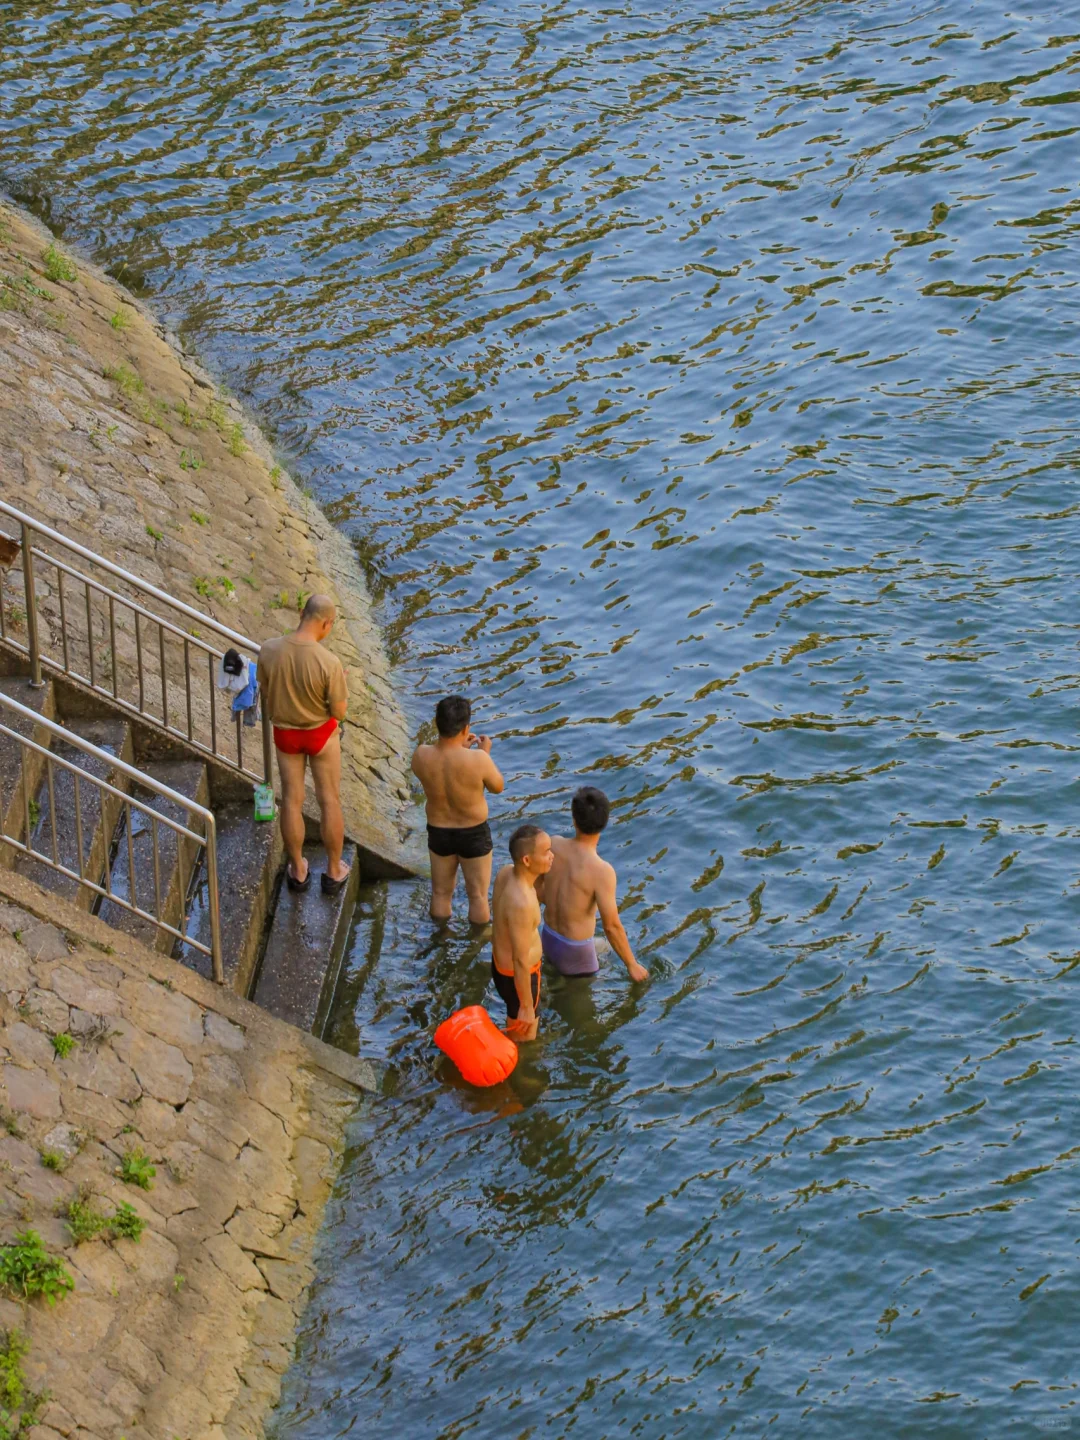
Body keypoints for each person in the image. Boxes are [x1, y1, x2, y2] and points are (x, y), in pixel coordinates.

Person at [257, 594, 350, 895]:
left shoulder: (269, 650)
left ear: (301, 613)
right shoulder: (329, 661)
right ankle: (334, 870)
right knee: (329, 801)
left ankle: (298, 870)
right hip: (320, 735)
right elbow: (339, 712)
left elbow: (267, 694)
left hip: (286, 734)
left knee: (292, 801)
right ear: (325, 623)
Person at [540, 785, 648, 983]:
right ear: (605, 822)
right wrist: (632, 964)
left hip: (547, 938)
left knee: (605, 948)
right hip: (574, 954)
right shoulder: (602, 871)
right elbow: (612, 926)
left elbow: (538, 891)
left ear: (574, 819)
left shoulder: (553, 844)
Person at [411, 695, 504, 923]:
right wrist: (484, 753)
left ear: (437, 724)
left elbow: (440, 770)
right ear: (466, 728)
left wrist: (459, 749)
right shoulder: (479, 759)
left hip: (439, 832)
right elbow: (497, 787)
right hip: (473, 833)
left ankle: (441, 937)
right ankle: (476, 944)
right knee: (479, 897)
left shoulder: (421, 755)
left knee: (441, 893)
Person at [491, 824, 554, 1040]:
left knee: (515, 1016)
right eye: (546, 852)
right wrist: (526, 1006)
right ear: (527, 860)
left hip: (500, 968)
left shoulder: (505, 873)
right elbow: (520, 960)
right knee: (525, 1041)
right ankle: (521, 1071)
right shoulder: (523, 903)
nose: (551, 856)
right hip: (520, 976)